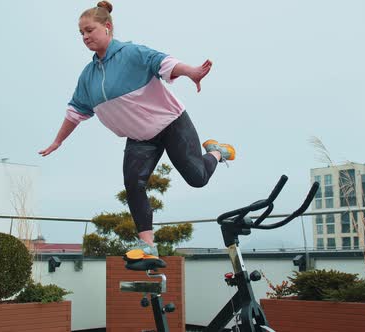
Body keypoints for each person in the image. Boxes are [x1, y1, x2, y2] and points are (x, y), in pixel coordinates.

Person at [39, 1, 235, 258]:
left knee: (197, 178)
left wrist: (192, 72)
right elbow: (75, 111)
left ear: (107, 27)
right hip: (141, 138)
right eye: (81, 33)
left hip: (171, 124)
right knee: (133, 183)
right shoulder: (88, 76)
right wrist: (58, 141)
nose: (85, 37)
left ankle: (217, 152)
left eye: (89, 30)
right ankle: (148, 245)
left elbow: (162, 62)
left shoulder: (130, 53)